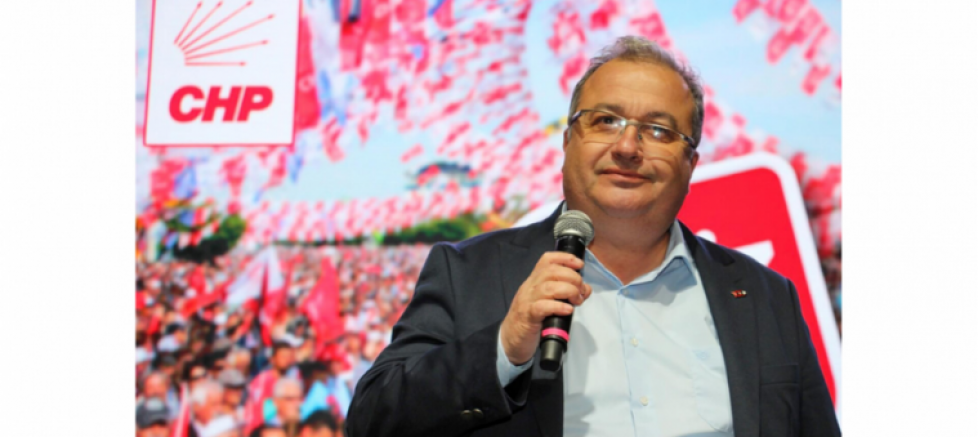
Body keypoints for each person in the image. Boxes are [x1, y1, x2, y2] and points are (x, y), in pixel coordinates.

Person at [345, 36, 840, 437]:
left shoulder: (765, 295)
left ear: (691, 164)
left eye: (659, 130)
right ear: (568, 142)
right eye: (605, 121)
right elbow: (372, 421)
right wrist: (502, 349)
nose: (627, 146)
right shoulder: (468, 274)